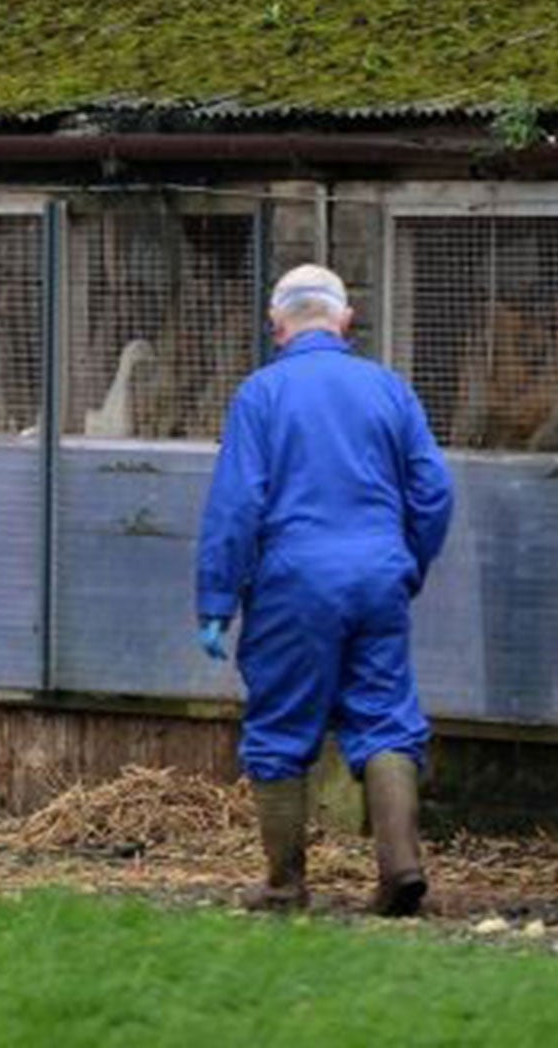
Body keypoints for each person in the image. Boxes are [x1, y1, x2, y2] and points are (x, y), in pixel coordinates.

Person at [196, 263, 454, 915]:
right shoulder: (389, 390)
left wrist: (216, 601)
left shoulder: (261, 394)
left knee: (281, 723)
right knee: (386, 716)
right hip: (378, 578)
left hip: (295, 582)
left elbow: (236, 506)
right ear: (345, 320)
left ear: (277, 327)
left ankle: (285, 884)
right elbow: (434, 490)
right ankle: (401, 868)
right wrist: (406, 561)